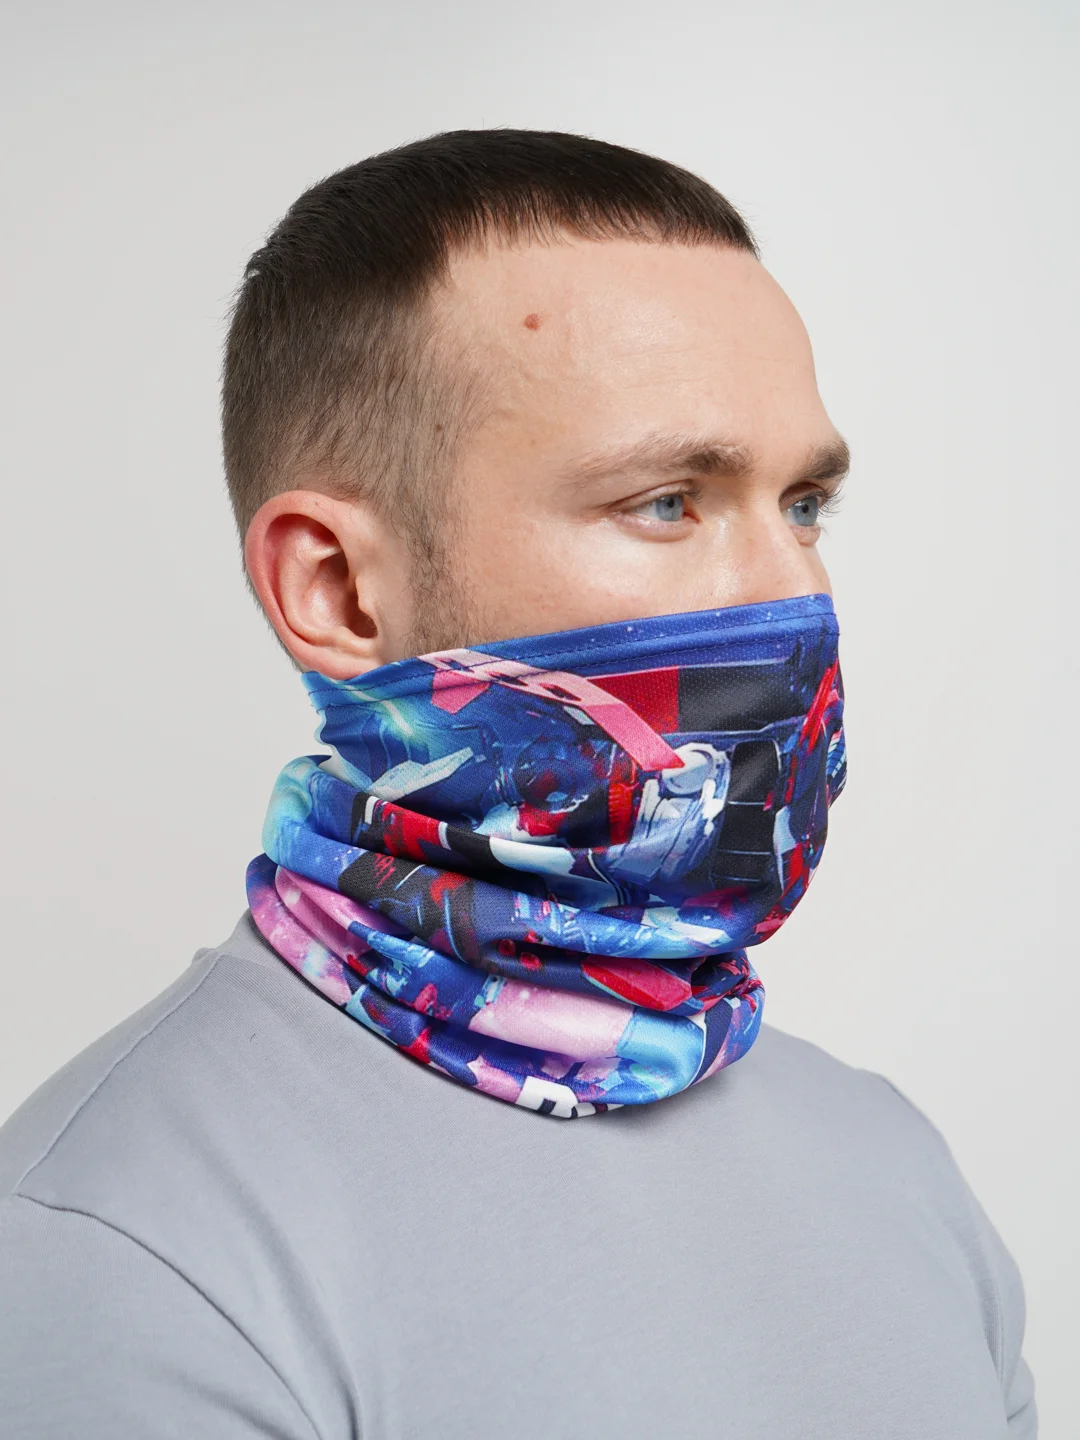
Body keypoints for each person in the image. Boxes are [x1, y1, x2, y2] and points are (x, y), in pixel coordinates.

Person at [0, 129, 1037, 1437]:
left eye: (805, 504)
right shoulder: (124, 1253)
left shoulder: (892, 1167)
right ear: (337, 589)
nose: (797, 596)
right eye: (668, 501)